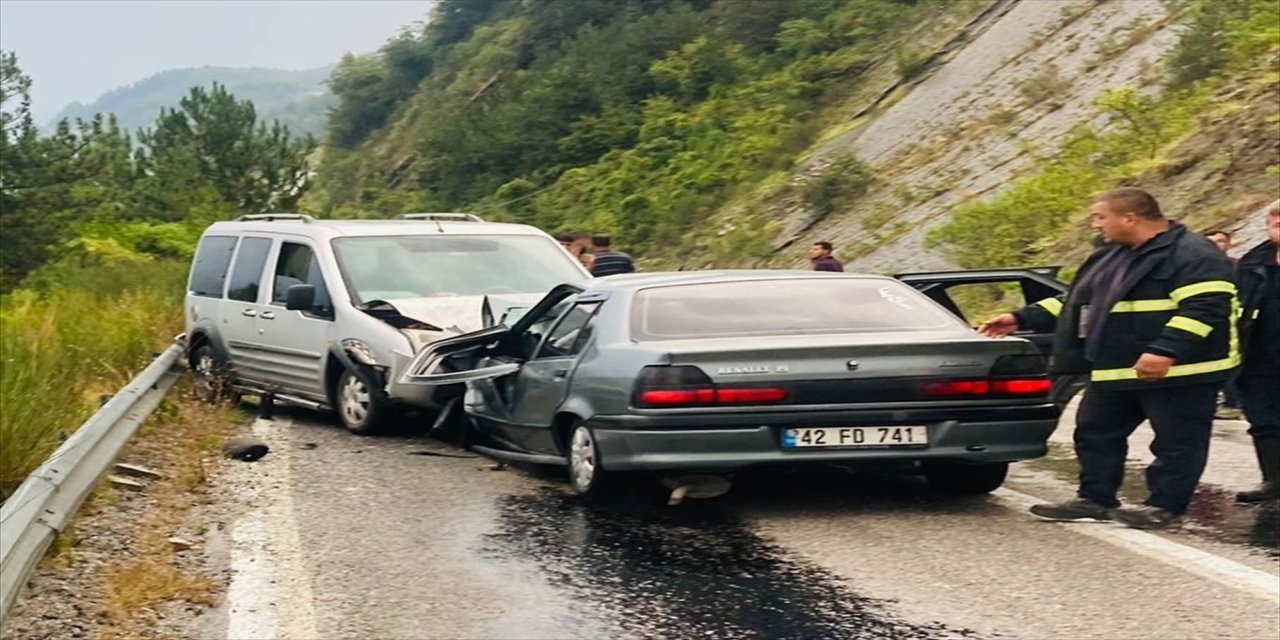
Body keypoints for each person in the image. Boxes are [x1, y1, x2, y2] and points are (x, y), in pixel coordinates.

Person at [978, 188, 1237, 529]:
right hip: (1114, 366)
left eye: (1100, 217)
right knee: (1094, 432)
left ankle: (1164, 506)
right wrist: (1021, 318)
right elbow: (1075, 302)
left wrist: (1166, 350)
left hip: (1179, 371)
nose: (1095, 224)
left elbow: (1207, 307)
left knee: (1176, 442)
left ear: (1130, 218)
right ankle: (1095, 498)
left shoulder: (1193, 253)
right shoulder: (1109, 255)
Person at [1233, 203, 1280, 503]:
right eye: (1274, 219)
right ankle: (1273, 481)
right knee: (1263, 419)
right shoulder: (1254, 261)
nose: (1278, 223)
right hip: (1259, 354)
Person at [1203, 229, 1244, 419]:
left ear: (1229, 244)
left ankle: (1234, 403)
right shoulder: (1195, 267)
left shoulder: (1241, 266)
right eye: (1211, 241)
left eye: (1220, 241)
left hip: (1238, 323)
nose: (1216, 245)